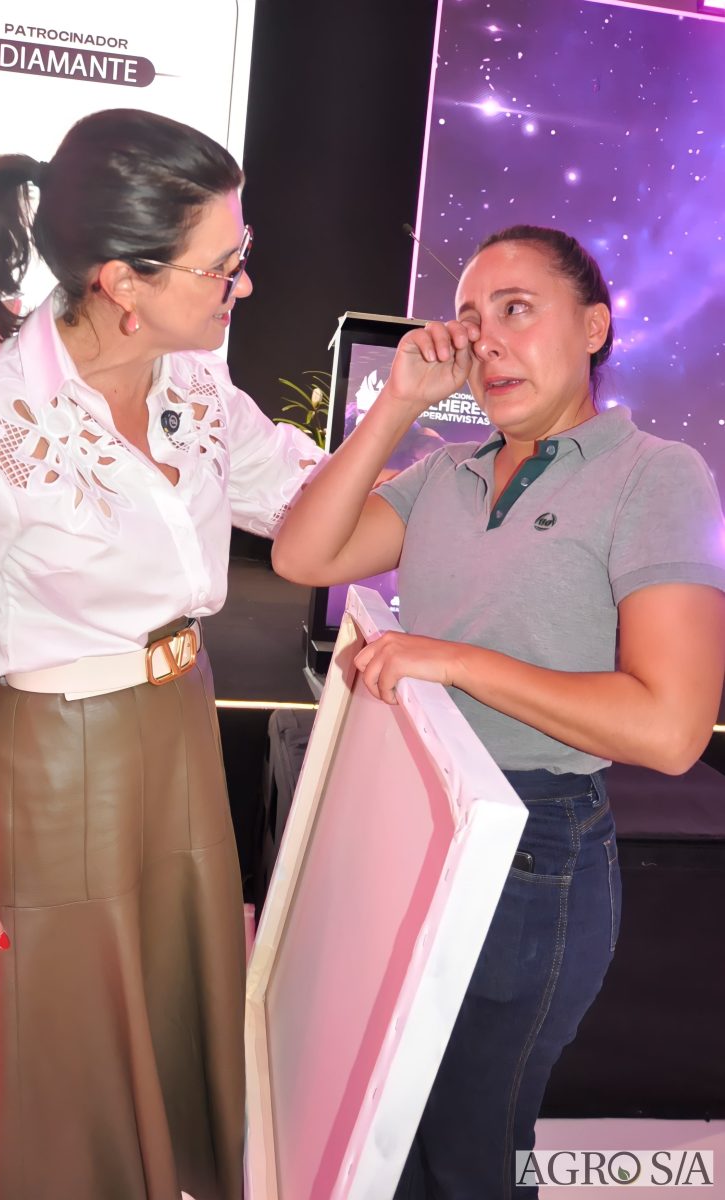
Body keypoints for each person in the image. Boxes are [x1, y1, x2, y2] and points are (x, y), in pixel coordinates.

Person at [271, 225, 725, 1199]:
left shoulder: (654, 475)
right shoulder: (446, 471)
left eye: (516, 309)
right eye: (470, 318)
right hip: (416, 818)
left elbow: (669, 728)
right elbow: (302, 554)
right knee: (390, 1127)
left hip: (534, 851)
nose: (485, 340)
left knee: (473, 1149)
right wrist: (397, 402)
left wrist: (455, 662)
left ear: (593, 326)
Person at [0, 108, 323, 1200]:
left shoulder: (193, 384)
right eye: (221, 265)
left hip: (180, 721)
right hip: (59, 761)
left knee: (169, 997)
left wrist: (426, 457)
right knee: (64, 1047)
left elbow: (298, 495)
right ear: (122, 282)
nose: (242, 282)